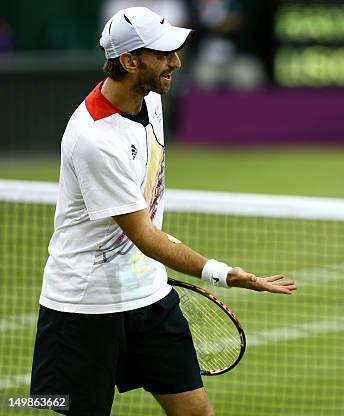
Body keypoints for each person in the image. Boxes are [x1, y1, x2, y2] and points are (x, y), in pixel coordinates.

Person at [30, 7, 296, 416]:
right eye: (163, 53)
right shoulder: (94, 138)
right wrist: (224, 273)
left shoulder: (151, 100)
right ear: (130, 61)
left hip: (151, 298)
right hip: (84, 309)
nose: (176, 61)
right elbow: (145, 235)